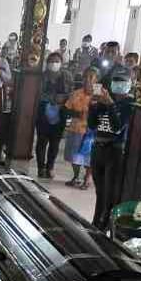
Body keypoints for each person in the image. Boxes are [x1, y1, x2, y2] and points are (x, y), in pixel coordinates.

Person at [89, 68, 134, 231]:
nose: (118, 85)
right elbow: (92, 125)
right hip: (98, 148)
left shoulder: (129, 104)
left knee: (110, 194)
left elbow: (117, 127)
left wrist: (111, 105)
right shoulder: (104, 101)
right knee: (100, 192)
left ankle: (105, 226)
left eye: (122, 82)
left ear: (130, 84)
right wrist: (93, 106)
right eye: (116, 81)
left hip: (114, 151)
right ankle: (96, 224)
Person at [34, 52, 70, 180]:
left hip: (60, 112)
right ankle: (40, 167)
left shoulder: (66, 76)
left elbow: (71, 93)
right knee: (42, 141)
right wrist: (50, 98)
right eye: (51, 61)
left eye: (56, 61)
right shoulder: (42, 76)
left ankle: (50, 167)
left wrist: (63, 99)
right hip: (43, 111)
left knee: (55, 142)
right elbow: (36, 92)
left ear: (61, 63)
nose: (54, 64)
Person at [63, 67, 98, 189]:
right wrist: (77, 114)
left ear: (96, 79)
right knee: (74, 156)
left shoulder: (99, 95)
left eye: (91, 77)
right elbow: (66, 110)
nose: (88, 80)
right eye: (86, 76)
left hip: (91, 132)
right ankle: (76, 176)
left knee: (88, 157)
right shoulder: (76, 93)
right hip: (76, 129)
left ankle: (87, 179)